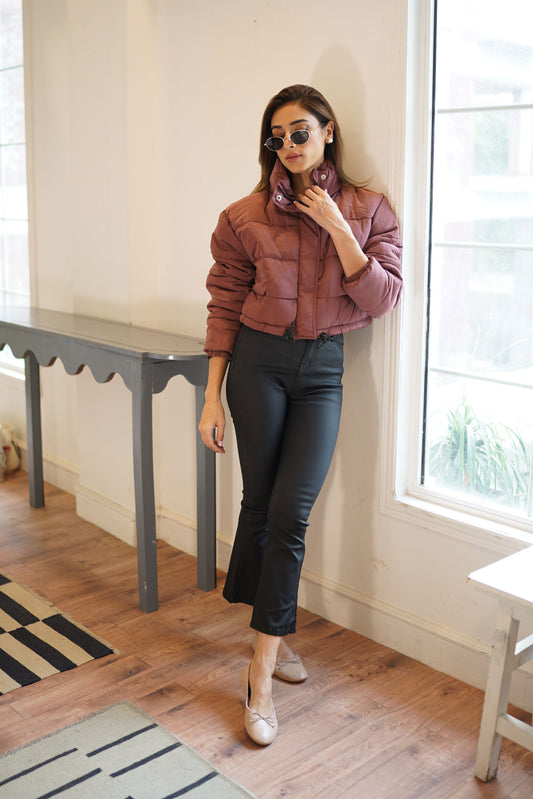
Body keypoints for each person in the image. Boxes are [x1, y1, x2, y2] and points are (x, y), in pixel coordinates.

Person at [199, 84, 402, 745]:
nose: (288, 145)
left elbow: (381, 299)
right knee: (261, 503)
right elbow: (224, 305)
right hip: (256, 366)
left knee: (291, 512)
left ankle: (258, 665)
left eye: (300, 132)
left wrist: (338, 226)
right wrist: (211, 395)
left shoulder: (369, 209)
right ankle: (271, 645)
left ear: (327, 131)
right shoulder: (242, 216)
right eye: (277, 136)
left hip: (321, 371)